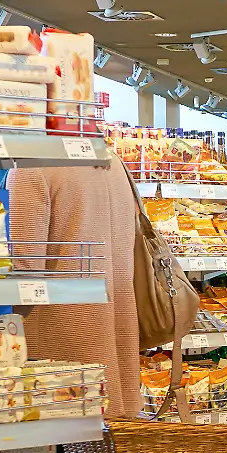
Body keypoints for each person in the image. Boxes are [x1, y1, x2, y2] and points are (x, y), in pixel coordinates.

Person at [9, 160, 141, 417]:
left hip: (58, 352)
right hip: (118, 337)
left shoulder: (32, 166)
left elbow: (24, 267)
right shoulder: (113, 162)